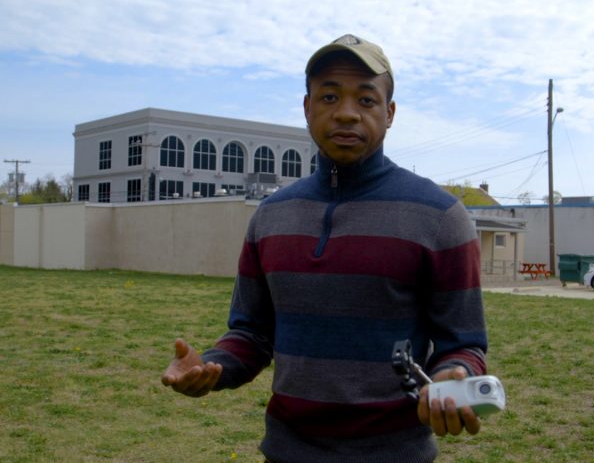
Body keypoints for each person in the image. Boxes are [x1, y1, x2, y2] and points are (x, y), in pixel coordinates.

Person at [162, 34, 488, 462]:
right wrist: (211, 367)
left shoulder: (440, 216)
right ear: (307, 107)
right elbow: (252, 334)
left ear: (389, 114)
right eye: (329, 96)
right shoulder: (271, 216)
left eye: (366, 100)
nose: (347, 113)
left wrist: (453, 378)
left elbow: (465, 344)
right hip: (286, 451)